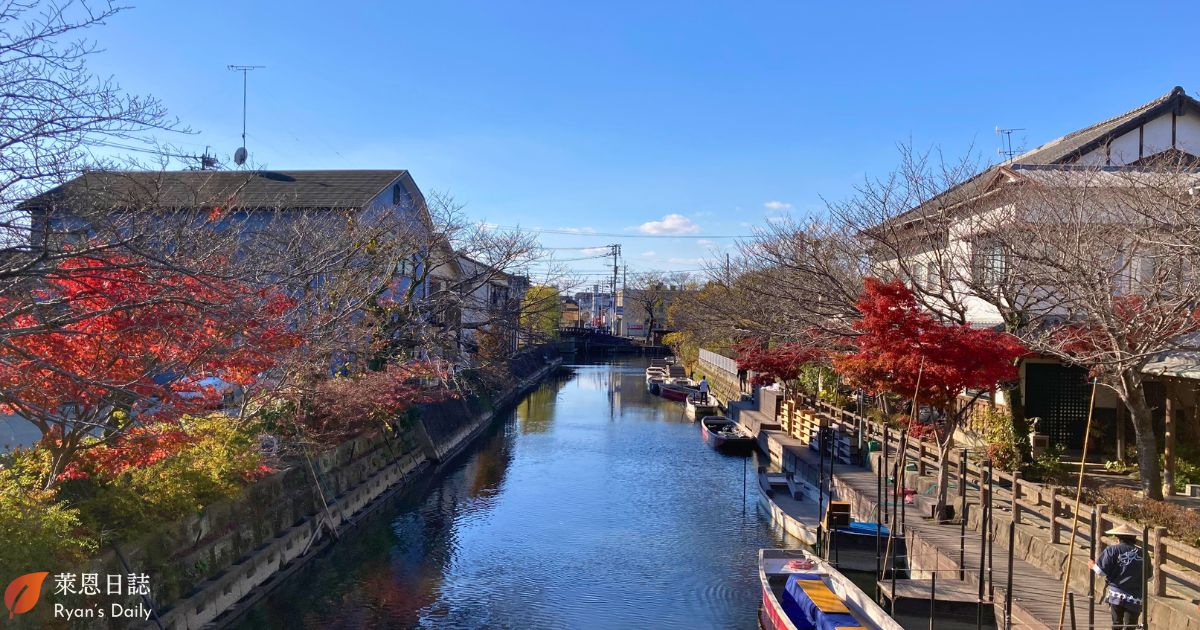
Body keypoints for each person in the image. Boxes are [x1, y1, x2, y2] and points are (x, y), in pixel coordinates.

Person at [1088, 523, 1145, 629]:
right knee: (1130, 626)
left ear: (1118, 538)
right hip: (1135, 596)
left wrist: (1092, 565)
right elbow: (1149, 577)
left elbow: (1101, 572)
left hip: (1117, 594)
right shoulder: (1143, 553)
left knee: (1117, 624)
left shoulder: (1112, 550)